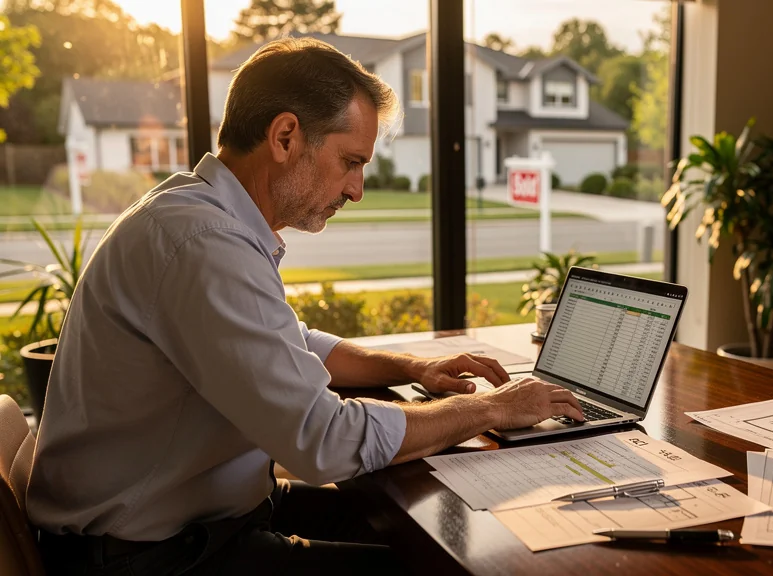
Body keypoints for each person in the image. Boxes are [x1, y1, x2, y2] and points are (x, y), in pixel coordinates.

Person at [26, 38, 584, 575]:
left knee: (444, 528)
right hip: (150, 558)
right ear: (286, 136)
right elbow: (323, 440)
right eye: (349, 161)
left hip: (192, 521)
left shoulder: (203, 218)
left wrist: (411, 368)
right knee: (444, 561)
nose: (357, 188)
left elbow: (291, 341)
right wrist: (494, 409)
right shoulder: (201, 243)